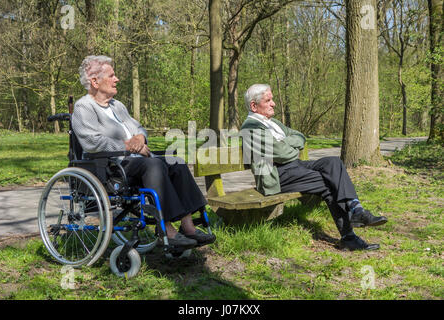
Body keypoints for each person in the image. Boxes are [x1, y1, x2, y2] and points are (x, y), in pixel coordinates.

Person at [71, 55, 215, 248]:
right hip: (111, 167)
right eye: (112, 75)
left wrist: (140, 138)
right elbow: (91, 142)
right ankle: (167, 229)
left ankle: (188, 227)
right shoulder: (84, 107)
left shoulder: (117, 105)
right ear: (95, 81)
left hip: (137, 160)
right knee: (153, 164)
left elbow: (138, 127)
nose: (117, 79)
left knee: (176, 161)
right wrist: (127, 145)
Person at [240, 84, 388, 251]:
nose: (274, 103)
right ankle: (350, 235)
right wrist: (286, 145)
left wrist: (285, 143)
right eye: (268, 100)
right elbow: (282, 153)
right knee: (329, 183)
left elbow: (300, 137)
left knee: (333, 163)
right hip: (277, 176)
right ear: (254, 105)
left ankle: (356, 209)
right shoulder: (251, 128)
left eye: (272, 99)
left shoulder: (273, 123)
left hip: (294, 167)